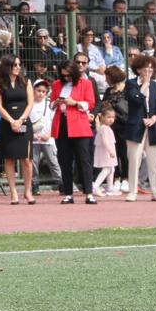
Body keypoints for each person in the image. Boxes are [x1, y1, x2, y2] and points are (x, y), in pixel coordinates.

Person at [50, 58, 98, 205]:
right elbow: (51, 104)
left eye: (69, 75)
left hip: (78, 123)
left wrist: (75, 103)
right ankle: (68, 193)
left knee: (84, 160)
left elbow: (90, 103)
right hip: (62, 123)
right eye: (63, 75)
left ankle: (89, 193)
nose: (66, 78)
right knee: (64, 160)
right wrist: (56, 102)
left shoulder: (86, 83)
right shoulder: (57, 84)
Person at [123, 56, 156, 202]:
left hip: (152, 128)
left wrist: (154, 118)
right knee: (134, 161)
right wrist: (145, 85)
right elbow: (135, 99)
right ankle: (132, 191)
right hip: (135, 128)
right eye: (145, 67)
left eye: (150, 67)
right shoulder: (131, 84)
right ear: (138, 69)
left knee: (154, 162)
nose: (148, 70)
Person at [0, 56, 35, 205]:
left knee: (26, 159)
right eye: (14, 65)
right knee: (9, 159)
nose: (18, 67)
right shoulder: (0, 84)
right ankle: (13, 192)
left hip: (23, 121)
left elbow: (30, 103)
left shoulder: (26, 82)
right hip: (7, 123)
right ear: (7, 66)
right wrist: (11, 121)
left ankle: (28, 191)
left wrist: (21, 120)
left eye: (19, 64)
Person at [91, 104, 119, 196]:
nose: (111, 119)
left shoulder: (105, 127)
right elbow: (105, 141)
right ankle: (95, 186)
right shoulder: (104, 128)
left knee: (111, 169)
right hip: (106, 151)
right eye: (108, 117)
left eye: (113, 117)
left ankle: (110, 188)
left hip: (107, 151)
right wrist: (110, 151)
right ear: (103, 117)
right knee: (107, 169)